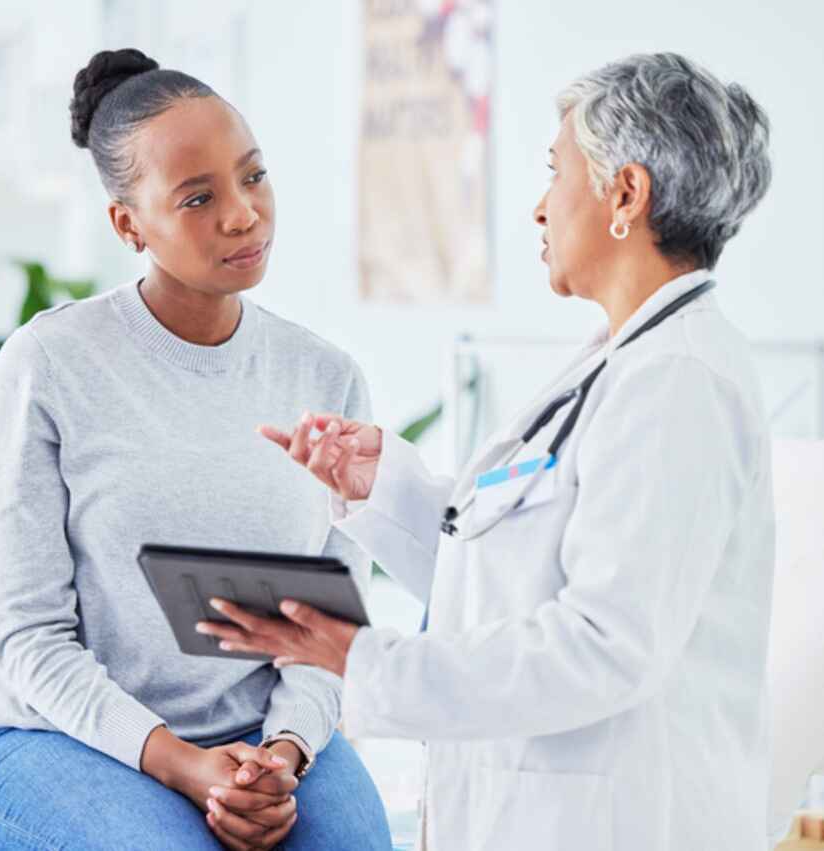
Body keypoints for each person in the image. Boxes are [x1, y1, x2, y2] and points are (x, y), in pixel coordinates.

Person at [199, 52, 776, 849]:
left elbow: (605, 647)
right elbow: (512, 580)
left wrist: (365, 659)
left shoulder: (677, 381)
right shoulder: (621, 364)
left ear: (626, 194)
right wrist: (384, 489)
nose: (540, 207)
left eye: (555, 171)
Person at [0, 48, 392, 851]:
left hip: (265, 736)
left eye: (253, 177)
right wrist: (184, 764)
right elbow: (29, 639)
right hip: (57, 740)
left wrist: (283, 752)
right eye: (198, 197)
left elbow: (328, 624)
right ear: (129, 224)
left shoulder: (326, 375)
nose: (242, 214)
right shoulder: (50, 364)